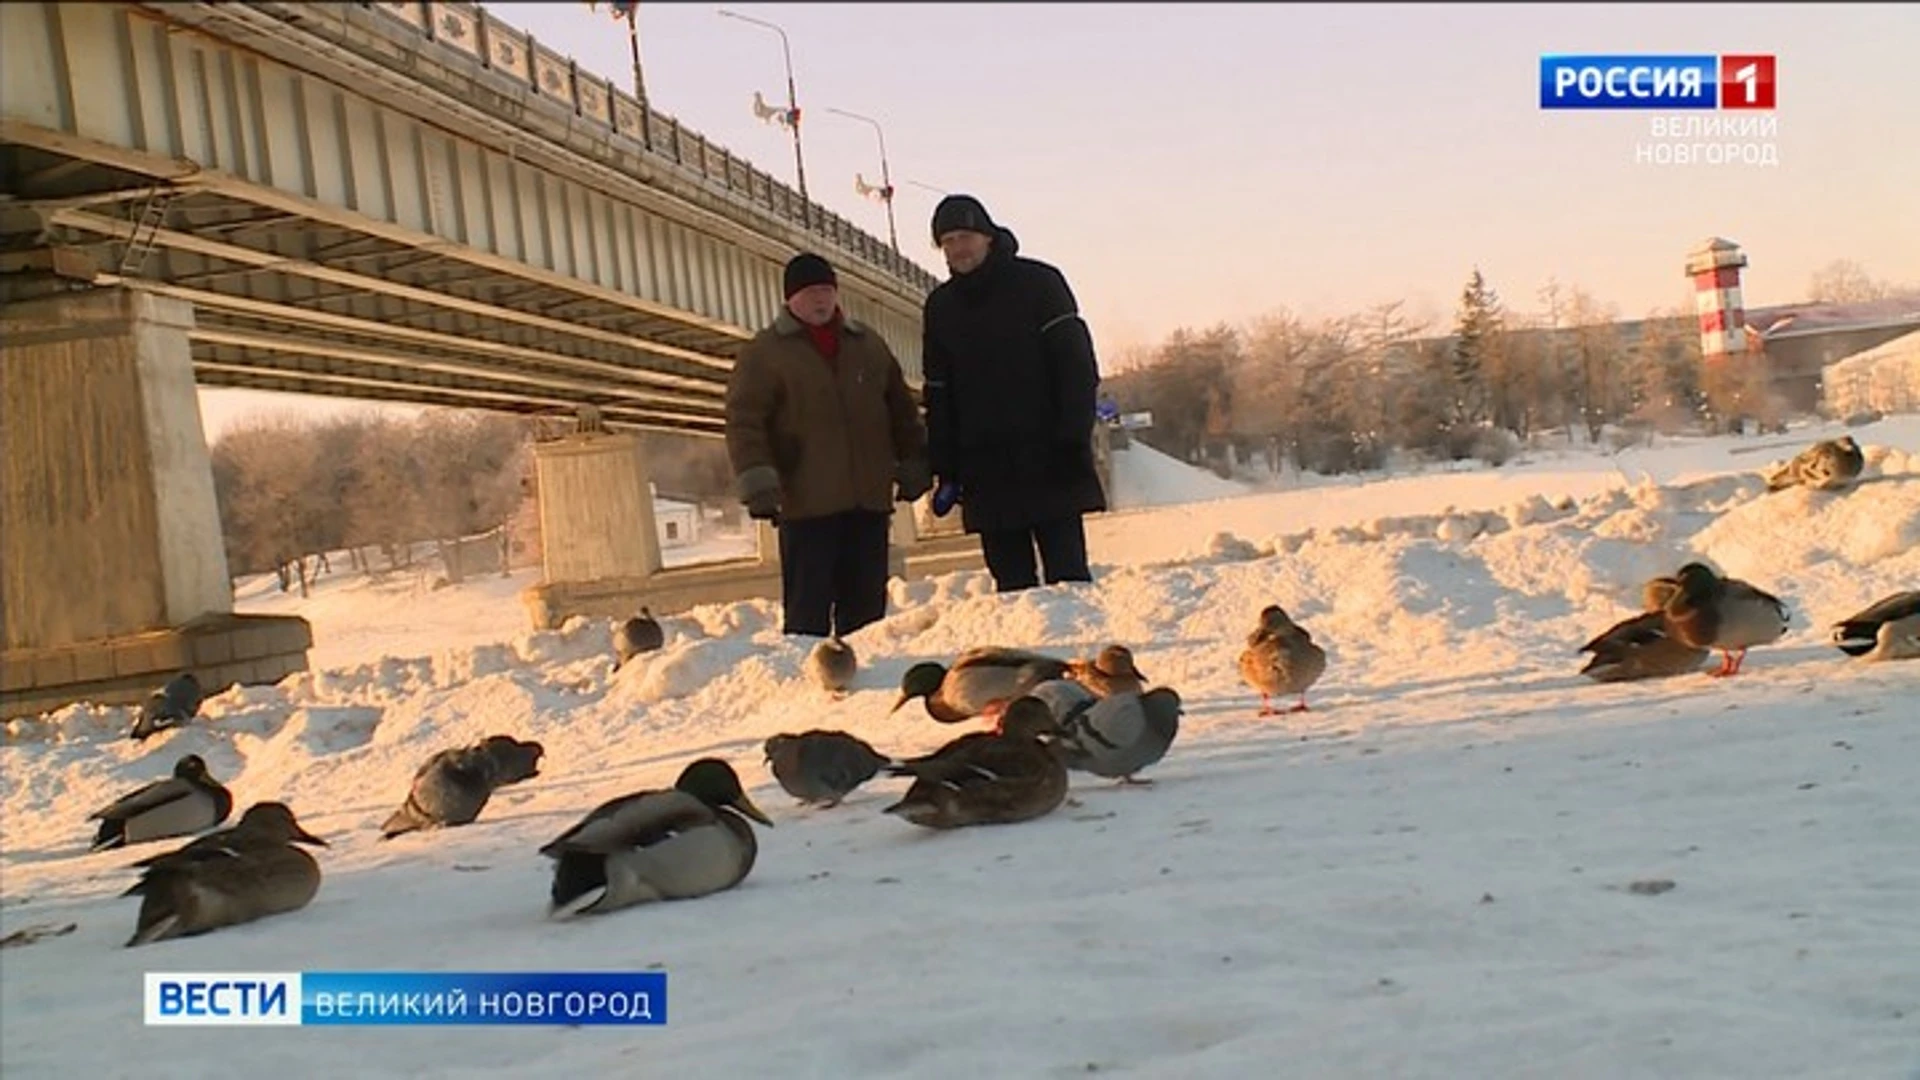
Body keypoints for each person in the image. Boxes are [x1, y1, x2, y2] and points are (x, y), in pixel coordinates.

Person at [725, 253, 931, 637]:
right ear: (790, 300)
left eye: (826, 291)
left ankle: (865, 683)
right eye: (809, 293)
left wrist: (914, 459)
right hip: (806, 505)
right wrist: (758, 481)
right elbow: (744, 422)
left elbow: (901, 410)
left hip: (867, 502)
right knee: (808, 616)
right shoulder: (765, 353)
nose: (820, 300)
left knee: (867, 614)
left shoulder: (868, 344)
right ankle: (813, 688)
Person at [920, 194, 1106, 592]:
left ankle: (1079, 653)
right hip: (985, 470)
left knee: (1069, 580)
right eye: (947, 241)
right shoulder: (940, 307)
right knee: (1011, 589)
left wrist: (1073, 439)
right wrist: (946, 467)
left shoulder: (1040, 283)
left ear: (987, 236)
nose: (957, 248)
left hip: (1049, 457)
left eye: (965, 236)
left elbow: (1076, 368)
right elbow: (938, 392)